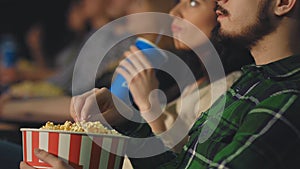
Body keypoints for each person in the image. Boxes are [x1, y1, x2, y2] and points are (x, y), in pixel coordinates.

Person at [20, 0, 300, 168]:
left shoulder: (286, 98)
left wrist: (148, 107)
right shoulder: (253, 80)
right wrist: (123, 117)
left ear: (283, 2)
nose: (220, 1)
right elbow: (178, 164)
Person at [115, 0, 252, 152]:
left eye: (193, 3)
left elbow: (187, 161)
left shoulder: (230, 89)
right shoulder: (194, 81)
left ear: (222, 12)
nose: (174, 13)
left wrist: (149, 103)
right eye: (179, 1)